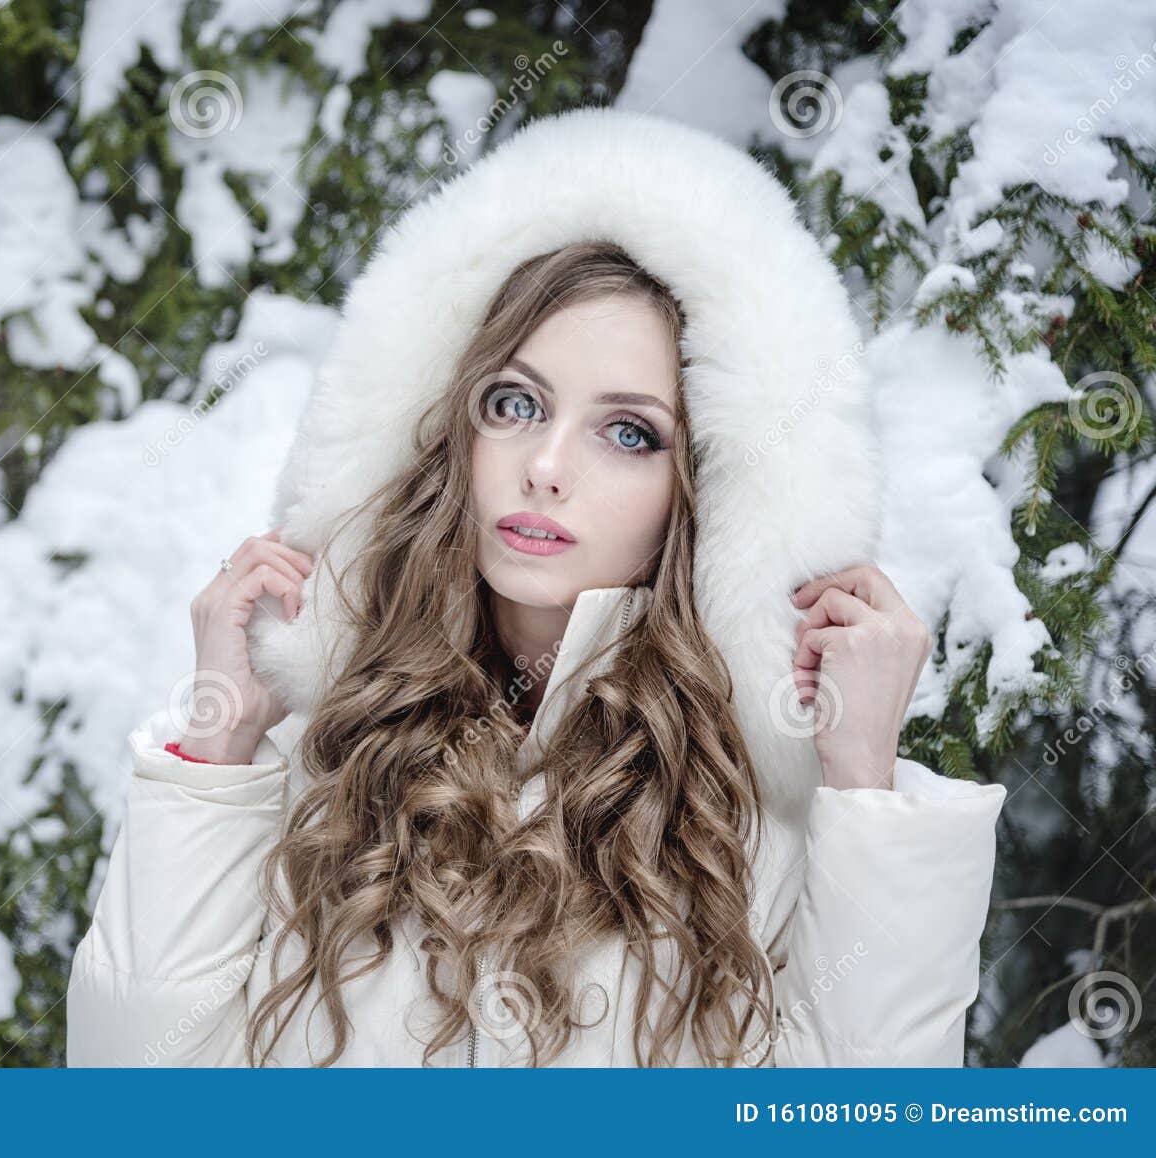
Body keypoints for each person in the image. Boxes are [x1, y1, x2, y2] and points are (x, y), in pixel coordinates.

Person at [66, 107, 1007, 1067]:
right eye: (515, 404)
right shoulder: (320, 777)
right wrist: (218, 752)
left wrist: (863, 791)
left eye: (628, 432)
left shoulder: (767, 833)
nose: (547, 465)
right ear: (448, 432)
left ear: (709, 494)